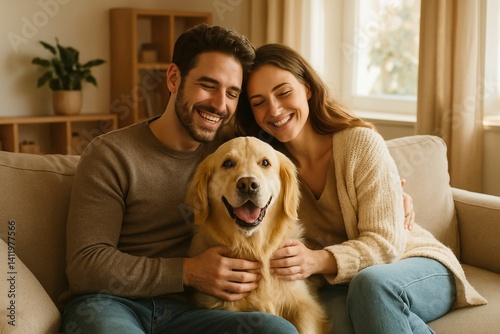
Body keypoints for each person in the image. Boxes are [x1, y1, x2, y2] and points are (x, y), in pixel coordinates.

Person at [59, 25, 299, 334]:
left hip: (193, 311)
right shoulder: (111, 154)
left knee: (276, 330)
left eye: (232, 93)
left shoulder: (232, 155)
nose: (219, 103)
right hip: (111, 304)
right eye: (207, 85)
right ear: (174, 78)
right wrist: (189, 271)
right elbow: (85, 266)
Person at [234, 43, 487, 334]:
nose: (274, 109)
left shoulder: (358, 143)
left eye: (283, 92)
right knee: (340, 318)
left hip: (413, 263)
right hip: (344, 284)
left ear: (307, 89)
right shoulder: (265, 169)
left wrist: (317, 260)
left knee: (371, 284)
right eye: (258, 102)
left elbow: (386, 243)